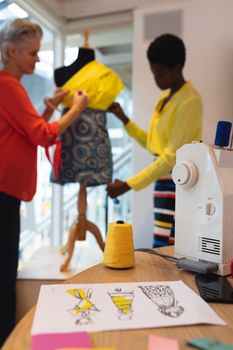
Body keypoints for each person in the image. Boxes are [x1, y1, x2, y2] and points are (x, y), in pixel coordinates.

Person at [0, 18, 88, 346]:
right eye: (33, 53)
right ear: (11, 51)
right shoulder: (8, 86)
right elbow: (42, 134)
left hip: (6, 193)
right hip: (3, 194)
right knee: (4, 276)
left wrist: (49, 108)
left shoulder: (10, 87)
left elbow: (27, 128)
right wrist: (77, 108)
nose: (38, 60)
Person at [106, 33, 203, 248]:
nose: (156, 79)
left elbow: (169, 158)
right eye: (153, 73)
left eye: (160, 73)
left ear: (177, 67)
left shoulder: (189, 102)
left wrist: (128, 184)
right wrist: (124, 119)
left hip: (179, 182)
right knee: (164, 242)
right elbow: (154, 145)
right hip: (165, 181)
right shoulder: (166, 99)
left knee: (171, 246)